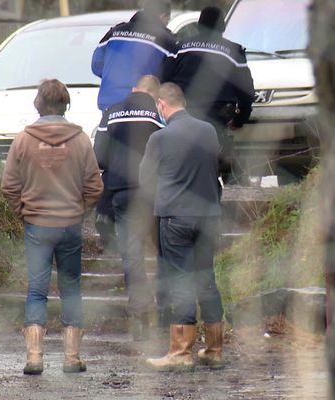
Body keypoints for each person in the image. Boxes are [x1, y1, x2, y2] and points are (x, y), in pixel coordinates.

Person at [1, 79, 103, 375]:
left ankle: (34, 357)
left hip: (37, 225)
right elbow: (94, 186)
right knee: (71, 289)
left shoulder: (23, 139)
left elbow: (9, 185)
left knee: (36, 290)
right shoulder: (81, 140)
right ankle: (71, 358)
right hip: (70, 224)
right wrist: (80, 210)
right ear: (65, 105)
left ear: (38, 104)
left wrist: (24, 210)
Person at [140, 83, 225, 371]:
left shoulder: (159, 138)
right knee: (207, 279)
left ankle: (180, 353)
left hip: (175, 217)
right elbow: (216, 168)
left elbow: (145, 180)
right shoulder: (208, 131)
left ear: (162, 105)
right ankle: (214, 349)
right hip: (208, 215)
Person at [93, 75, 163, 338]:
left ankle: (140, 315)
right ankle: (168, 313)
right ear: (155, 96)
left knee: (132, 255)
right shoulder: (157, 113)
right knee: (164, 251)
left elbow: (99, 155)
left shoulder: (111, 112)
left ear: (133, 89)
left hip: (121, 192)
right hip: (153, 193)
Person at [163, 6, 254, 182]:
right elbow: (246, 91)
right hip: (217, 116)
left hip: (183, 112)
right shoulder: (233, 51)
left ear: (198, 26)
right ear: (223, 27)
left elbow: (165, 78)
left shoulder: (180, 47)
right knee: (217, 161)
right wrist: (240, 119)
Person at [91, 0, 176, 112]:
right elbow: (170, 75)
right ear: (163, 16)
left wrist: (116, 76)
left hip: (110, 103)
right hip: (143, 105)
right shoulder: (166, 40)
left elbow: (96, 65)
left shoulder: (114, 32)